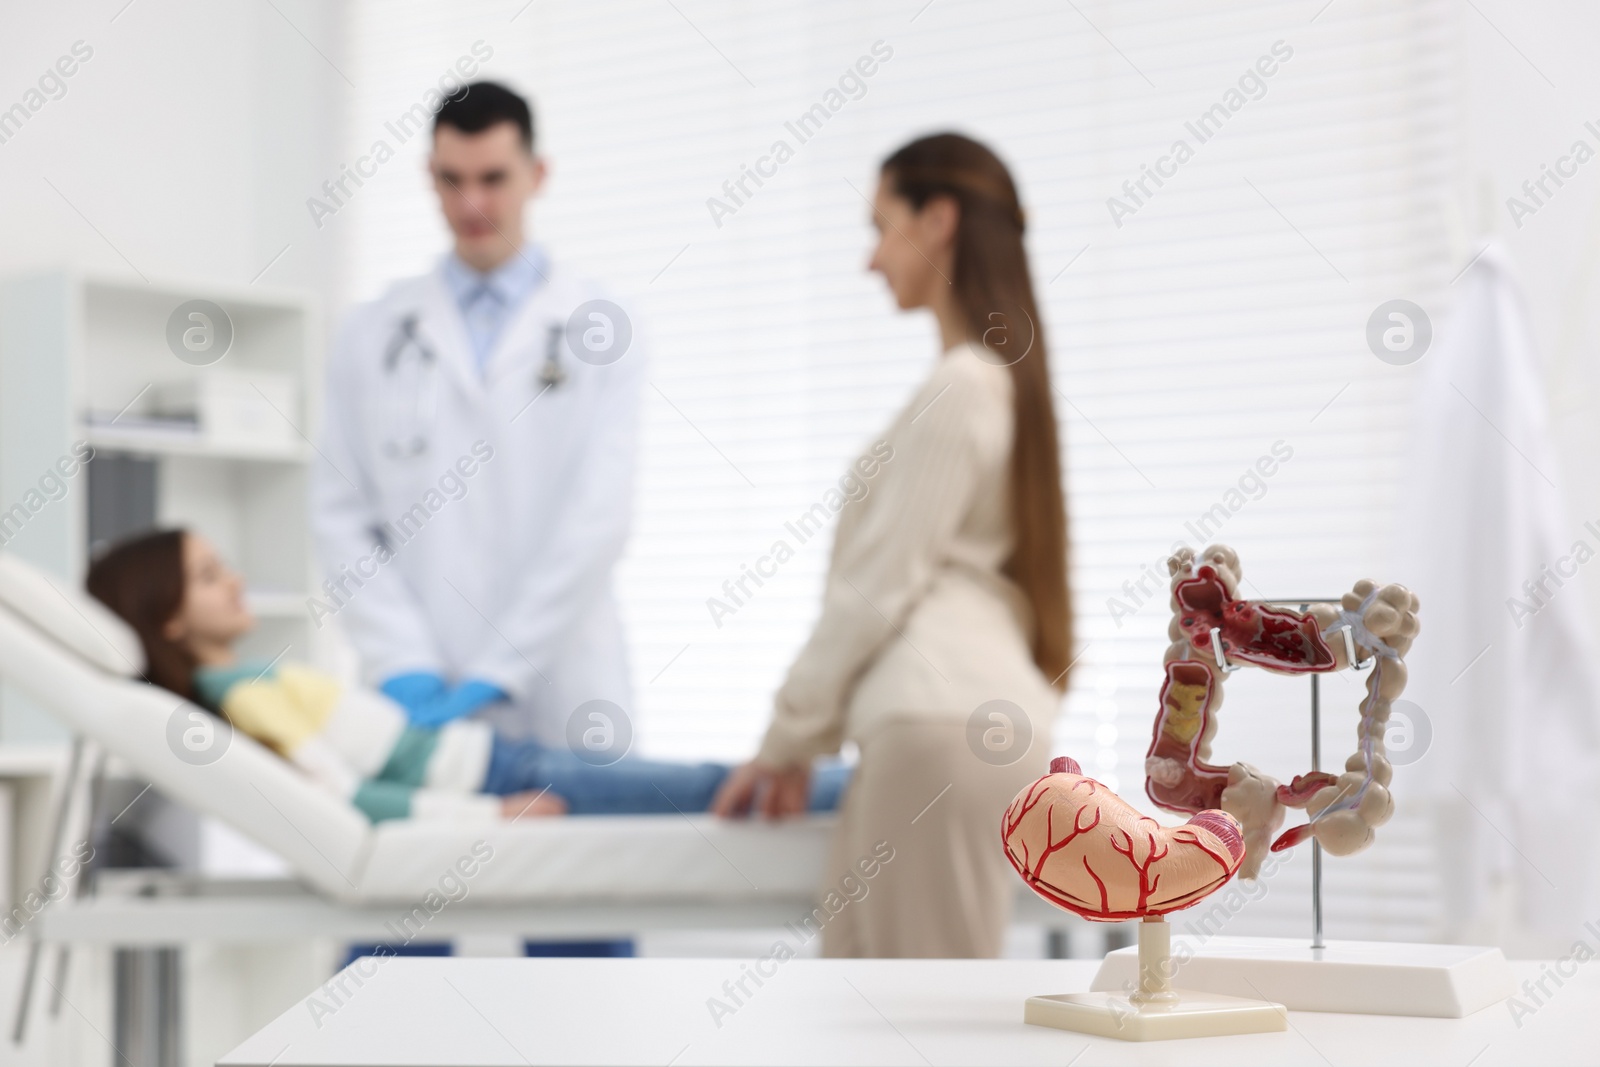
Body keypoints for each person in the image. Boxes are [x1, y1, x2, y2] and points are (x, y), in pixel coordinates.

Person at [711, 133, 1073, 957]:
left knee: (898, 1026)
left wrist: (787, 739)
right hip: (953, 727)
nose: (872, 259)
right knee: (884, 1016)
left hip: (933, 734)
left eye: (882, 226)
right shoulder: (992, 382)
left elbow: (877, 586)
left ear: (937, 220)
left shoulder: (964, 385)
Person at [86, 529, 848, 822]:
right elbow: (337, 794)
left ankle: (857, 788)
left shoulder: (243, 681)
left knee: (703, 785)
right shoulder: (240, 694)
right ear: (170, 619)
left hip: (491, 759)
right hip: (497, 775)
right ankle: (860, 790)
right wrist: (493, 818)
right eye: (210, 575)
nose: (236, 581)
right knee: (709, 788)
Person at [311, 81, 640, 742]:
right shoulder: (371, 333)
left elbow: (599, 519)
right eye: (451, 180)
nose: (472, 204)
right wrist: (403, 660)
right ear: (429, 177)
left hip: (563, 681)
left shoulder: (598, 327)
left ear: (536, 175)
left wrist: (503, 663)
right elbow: (338, 512)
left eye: (493, 178)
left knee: (579, 844)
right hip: (412, 684)